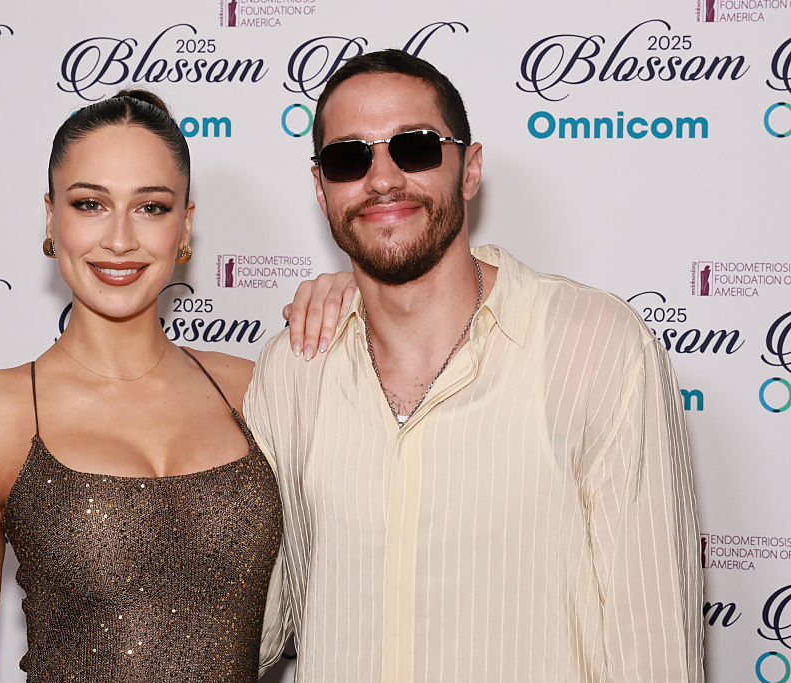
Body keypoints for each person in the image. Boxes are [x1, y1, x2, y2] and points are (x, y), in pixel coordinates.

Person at [247, 50, 704, 682]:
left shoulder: (597, 347)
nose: (382, 179)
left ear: (470, 169)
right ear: (322, 188)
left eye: (415, 147)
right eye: (350, 157)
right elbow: (252, 625)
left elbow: (654, 650)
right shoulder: (292, 368)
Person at [0, 90, 345, 682]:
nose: (119, 239)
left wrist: (364, 298)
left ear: (185, 225)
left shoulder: (256, 391)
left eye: (151, 208)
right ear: (51, 218)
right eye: (90, 204)